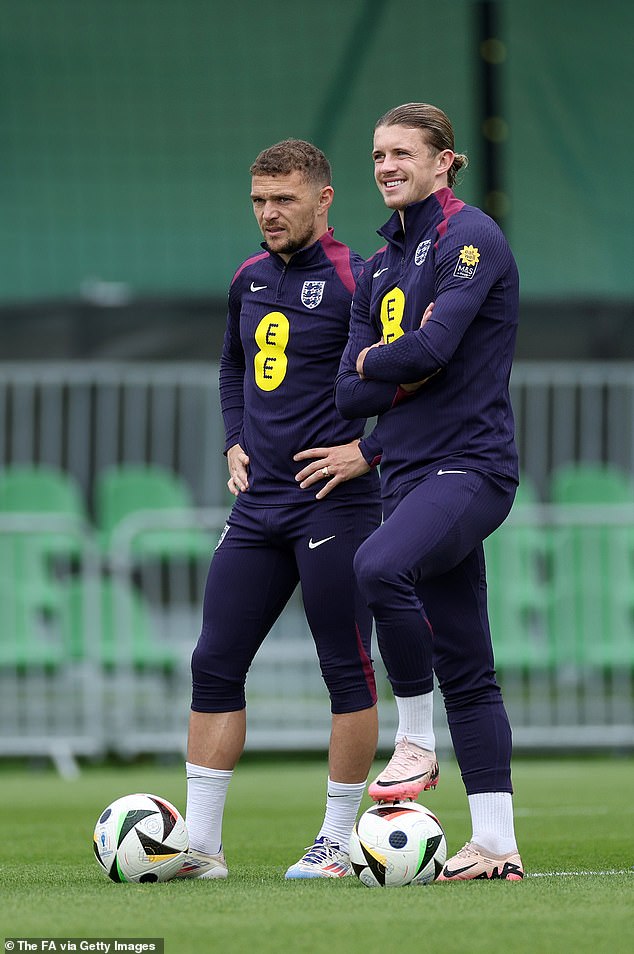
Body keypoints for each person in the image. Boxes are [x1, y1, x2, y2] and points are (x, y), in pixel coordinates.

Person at [179, 139, 382, 881]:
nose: (268, 212)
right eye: (260, 199)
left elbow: (433, 381)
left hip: (335, 504)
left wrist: (372, 451)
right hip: (258, 506)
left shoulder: (360, 279)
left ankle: (336, 842)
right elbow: (233, 363)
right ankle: (200, 847)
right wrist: (234, 440)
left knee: (346, 669)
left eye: (284, 199)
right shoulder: (247, 277)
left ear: (324, 199)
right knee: (214, 661)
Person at [335, 103, 524, 881]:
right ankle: (497, 846)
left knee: (378, 568)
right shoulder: (379, 265)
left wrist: (380, 364)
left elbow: (438, 347)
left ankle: (415, 738)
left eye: (402, 152)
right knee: (471, 669)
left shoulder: (469, 236)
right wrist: (396, 363)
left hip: (470, 468)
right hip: (408, 474)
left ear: (445, 161)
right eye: (378, 154)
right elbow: (348, 396)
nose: (386, 166)